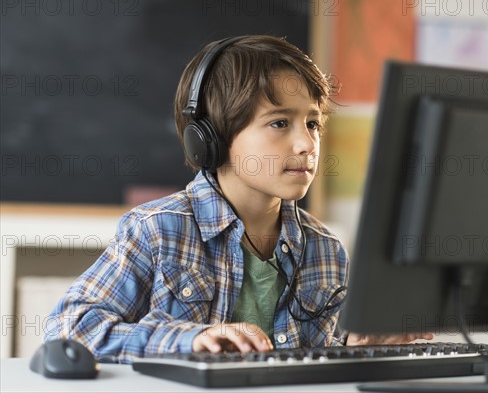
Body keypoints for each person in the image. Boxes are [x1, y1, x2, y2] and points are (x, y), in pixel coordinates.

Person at [45, 35, 431, 363]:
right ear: (210, 137)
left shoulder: (325, 250)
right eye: (280, 123)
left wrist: (356, 347)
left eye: (312, 123)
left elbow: (316, 360)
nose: (306, 143)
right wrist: (188, 341)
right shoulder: (158, 230)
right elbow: (70, 329)